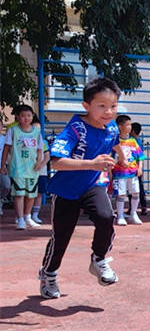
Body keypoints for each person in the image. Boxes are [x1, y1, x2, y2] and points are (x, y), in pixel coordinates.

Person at [38, 77, 124, 299]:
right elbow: (56, 162)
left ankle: (99, 259)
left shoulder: (112, 127)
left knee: (106, 217)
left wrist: (121, 154)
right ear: (87, 106)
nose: (108, 112)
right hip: (66, 190)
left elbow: (113, 139)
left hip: (93, 185)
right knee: (62, 237)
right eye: (102, 106)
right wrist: (92, 163)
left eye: (113, 106)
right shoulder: (75, 129)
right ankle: (49, 274)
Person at [1, 105, 44, 230]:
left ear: (32, 117)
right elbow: (6, 148)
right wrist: (3, 164)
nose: (26, 118)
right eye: (23, 116)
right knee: (19, 194)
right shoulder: (13, 130)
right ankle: (20, 219)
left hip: (32, 168)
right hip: (17, 167)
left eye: (29, 116)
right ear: (18, 117)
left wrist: (39, 162)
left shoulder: (36, 132)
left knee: (31, 194)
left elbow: (40, 149)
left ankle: (28, 217)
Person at [111, 115, 145, 226]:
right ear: (120, 126)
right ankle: (120, 215)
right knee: (121, 194)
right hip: (120, 173)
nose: (130, 127)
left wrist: (139, 168)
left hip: (133, 173)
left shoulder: (133, 141)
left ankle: (133, 213)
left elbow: (140, 156)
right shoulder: (115, 141)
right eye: (127, 125)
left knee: (135, 193)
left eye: (130, 125)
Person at [31, 118, 50, 224]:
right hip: (28, 171)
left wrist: (41, 165)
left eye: (39, 129)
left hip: (41, 172)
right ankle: (25, 214)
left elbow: (47, 156)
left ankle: (35, 215)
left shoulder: (43, 142)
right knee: (28, 193)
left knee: (39, 193)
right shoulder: (27, 140)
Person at [128, 122, 148, 216]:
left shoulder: (133, 141)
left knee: (135, 188)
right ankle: (143, 207)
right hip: (135, 167)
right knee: (138, 188)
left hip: (133, 167)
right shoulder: (138, 140)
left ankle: (135, 208)